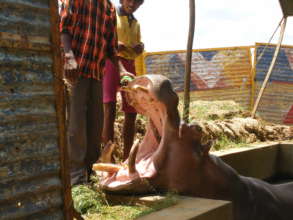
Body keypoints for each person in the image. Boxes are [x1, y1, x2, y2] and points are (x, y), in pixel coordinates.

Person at [59, 0, 118, 185]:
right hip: (75, 72)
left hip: (96, 74)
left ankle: (91, 175)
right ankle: (76, 179)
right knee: (75, 127)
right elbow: (64, 30)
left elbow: (111, 47)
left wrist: (123, 72)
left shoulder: (108, 7)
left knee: (95, 126)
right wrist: (69, 57)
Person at [102, 0, 144, 161]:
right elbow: (105, 41)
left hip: (129, 64)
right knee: (110, 108)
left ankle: (128, 158)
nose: (132, 3)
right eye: (129, 0)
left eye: (137, 1)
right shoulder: (111, 15)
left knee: (131, 110)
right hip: (111, 62)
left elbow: (135, 48)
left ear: (141, 4)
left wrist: (139, 47)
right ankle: (109, 158)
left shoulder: (136, 23)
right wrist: (116, 45)